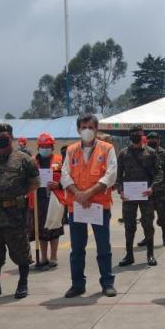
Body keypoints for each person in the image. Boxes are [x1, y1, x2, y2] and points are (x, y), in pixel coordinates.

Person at [0, 124, 40, 300]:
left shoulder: (23, 159)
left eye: (4, 136)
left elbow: (34, 182)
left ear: (11, 138)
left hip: (14, 214)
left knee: (20, 251)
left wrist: (18, 197)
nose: (1, 140)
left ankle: (23, 283)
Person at [60, 114, 118, 298]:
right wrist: (78, 194)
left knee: (103, 247)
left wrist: (88, 194)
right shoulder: (70, 150)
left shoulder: (107, 149)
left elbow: (111, 175)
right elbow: (64, 175)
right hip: (76, 207)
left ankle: (107, 283)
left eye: (91, 127)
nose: (87, 130)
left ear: (96, 129)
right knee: (77, 249)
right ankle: (77, 284)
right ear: (78, 129)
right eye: (84, 127)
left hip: (99, 206)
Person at [117, 125, 162, 267]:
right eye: (133, 133)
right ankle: (129, 255)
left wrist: (152, 188)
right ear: (129, 135)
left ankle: (150, 254)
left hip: (146, 195)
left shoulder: (151, 152)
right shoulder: (123, 154)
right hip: (129, 197)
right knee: (129, 226)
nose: (136, 135)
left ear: (142, 134)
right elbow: (118, 176)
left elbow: (159, 172)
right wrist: (120, 190)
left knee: (148, 225)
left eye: (138, 132)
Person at [30, 133, 65, 270]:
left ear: (52, 147)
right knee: (41, 230)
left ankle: (54, 256)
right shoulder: (32, 162)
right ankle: (43, 256)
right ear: (38, 147)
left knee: (54, 228)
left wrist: (59, 185)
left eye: (47, 146)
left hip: (54, 198)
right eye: (42, 146)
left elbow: (68, 177)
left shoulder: (59, 160)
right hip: (37, 199)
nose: (45, 148)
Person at [139, 131, 165, 247]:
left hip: (161, 191)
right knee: (145, 218)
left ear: (159, 140)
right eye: (150, 139)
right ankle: (147, 238)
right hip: (146, 190)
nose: (152, 141)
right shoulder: (142, 152)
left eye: (155, 139)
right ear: (146, 140)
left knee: (162, 216)